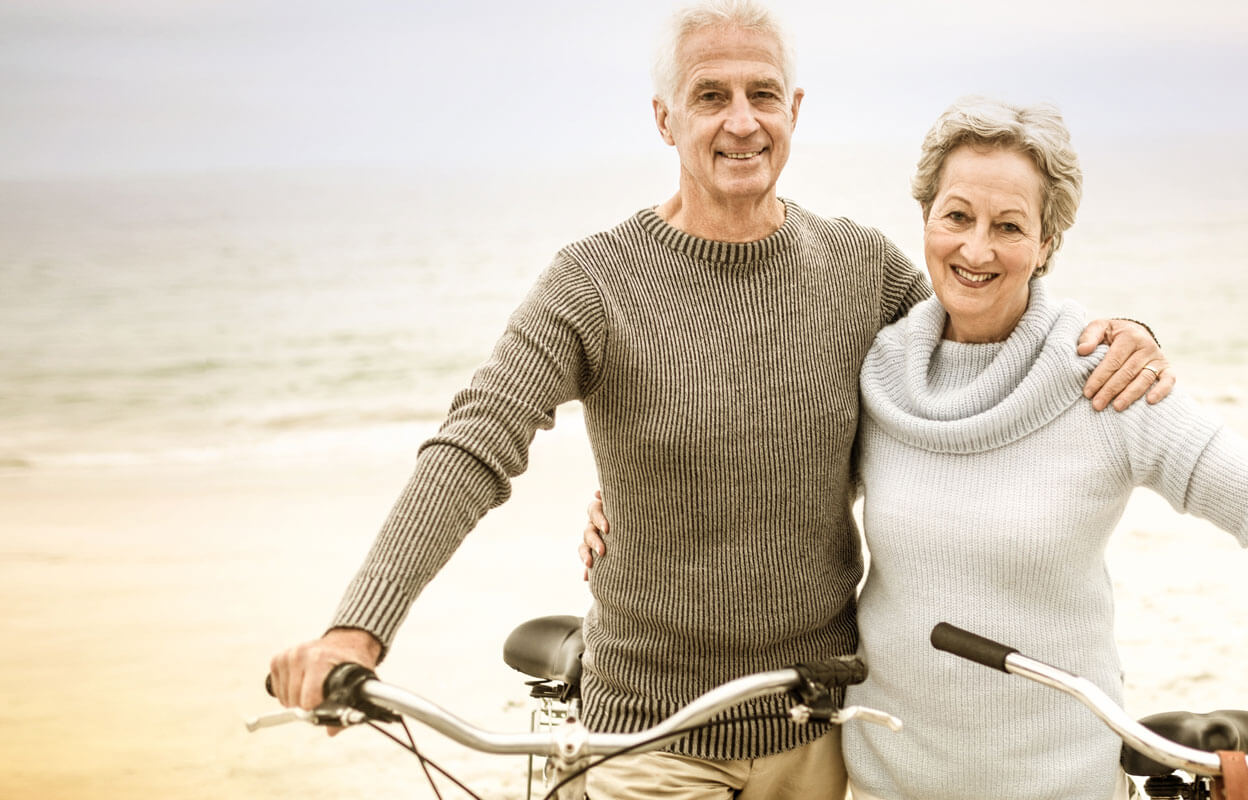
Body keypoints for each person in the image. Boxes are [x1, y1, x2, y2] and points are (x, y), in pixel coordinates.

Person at [266, 2, 1171, 798]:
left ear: (794, 111)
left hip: (815, 728)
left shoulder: (859, 272)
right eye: (710, 96)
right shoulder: (593, 283)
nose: (741, 121)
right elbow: (475, 445)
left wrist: (1121, 333)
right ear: (665, 118)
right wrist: (359, 631)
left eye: (762, 94)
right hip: (648, 736)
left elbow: (990, 324)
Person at [579, 96, 1248, 798]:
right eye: (957, 216)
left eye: (1010, 225)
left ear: (1048, 245)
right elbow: (751, 433)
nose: (977, 248)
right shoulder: (879, 369)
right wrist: (625, 492)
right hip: (881, 778)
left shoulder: (1105, 382)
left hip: (1056, 784)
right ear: (925, 220)